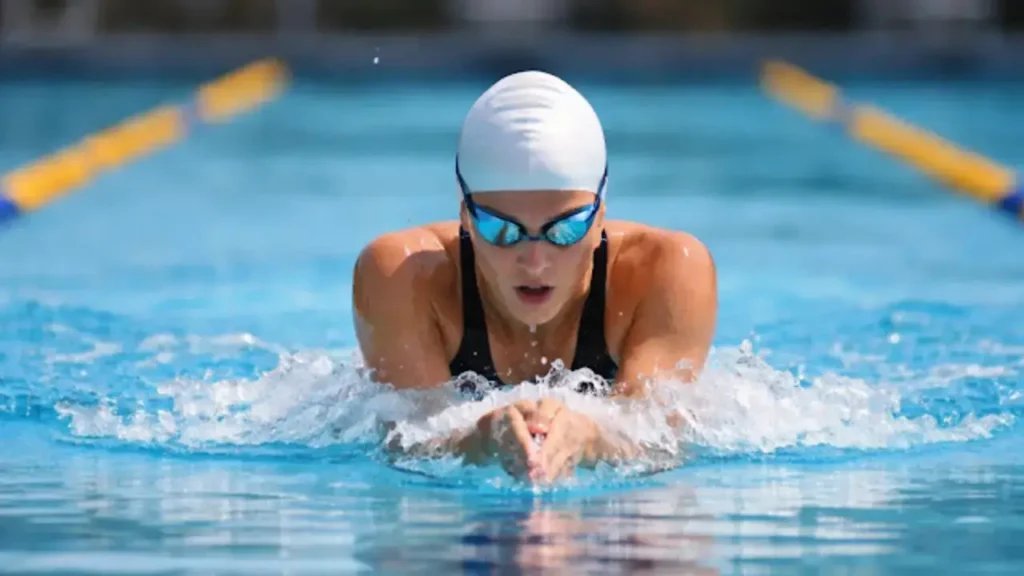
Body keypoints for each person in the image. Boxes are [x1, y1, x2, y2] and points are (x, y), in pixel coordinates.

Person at [352, 70, 717, 483]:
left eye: (564, 229)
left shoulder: (665, 271)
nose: (535, 261)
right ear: (465, 217)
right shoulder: (403, 275)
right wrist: (482, 437)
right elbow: (412, 442)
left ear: (600, 215)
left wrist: (592, 438)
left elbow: (658, 442)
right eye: (500, 230)